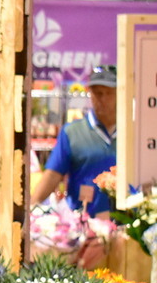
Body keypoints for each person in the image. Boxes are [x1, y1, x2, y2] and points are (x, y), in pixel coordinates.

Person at [31, 65, 117, 217]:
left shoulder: (132, 134)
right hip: (83, 222)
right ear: (90, 94)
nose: (103, 99)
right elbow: (53, 175)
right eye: (98, 93)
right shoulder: (72, 132)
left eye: (109, 93)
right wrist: (32, 208)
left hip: (127, 223)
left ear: (119, 94)